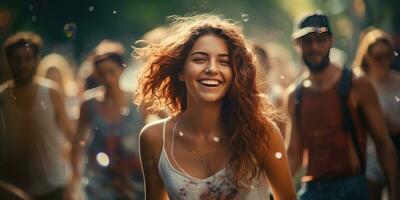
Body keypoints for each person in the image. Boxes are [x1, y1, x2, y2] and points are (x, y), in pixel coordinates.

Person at [136, 14, 296, 200]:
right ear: (180, 70)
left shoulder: (262, 132)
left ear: (235, 73)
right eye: (199, 59)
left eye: (224, 62)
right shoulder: (154, 138)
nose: (212, 69)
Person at [285, 11, 399, 199]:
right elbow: (294, 154)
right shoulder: (295, 95)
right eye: (307, 41)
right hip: (313, 190)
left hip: (352, 187)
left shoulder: (356, 84)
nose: (314, 47)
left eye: (320, 39)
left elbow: (384, 145)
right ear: (297, 45)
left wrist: (394, 194)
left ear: (331, 40)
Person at [0, 32, 73, 199]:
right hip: (15, 193)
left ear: (36, 60)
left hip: (55, 189)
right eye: (17, 59)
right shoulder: (2, 99)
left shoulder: (52, 92)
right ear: (8, 61)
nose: (22, 64)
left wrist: (71, 182)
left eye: (27, 59)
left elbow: (70, 138)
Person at [70, 48, 146, 200]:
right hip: (99, 181)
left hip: (134, 179)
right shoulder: (88, 103)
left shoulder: (139, 101)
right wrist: (74, 178)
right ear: (95, 74)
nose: (108, 78)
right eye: (102, 73)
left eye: (112, 71)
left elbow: (167, 125)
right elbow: (77, 140)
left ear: (122, 69)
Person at [353, 28, 400, 200]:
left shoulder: (398, 82)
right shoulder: (359, 84)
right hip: (369, 157)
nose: (384, 62)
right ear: (367, 57)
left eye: (388, 55)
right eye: (378, 57)